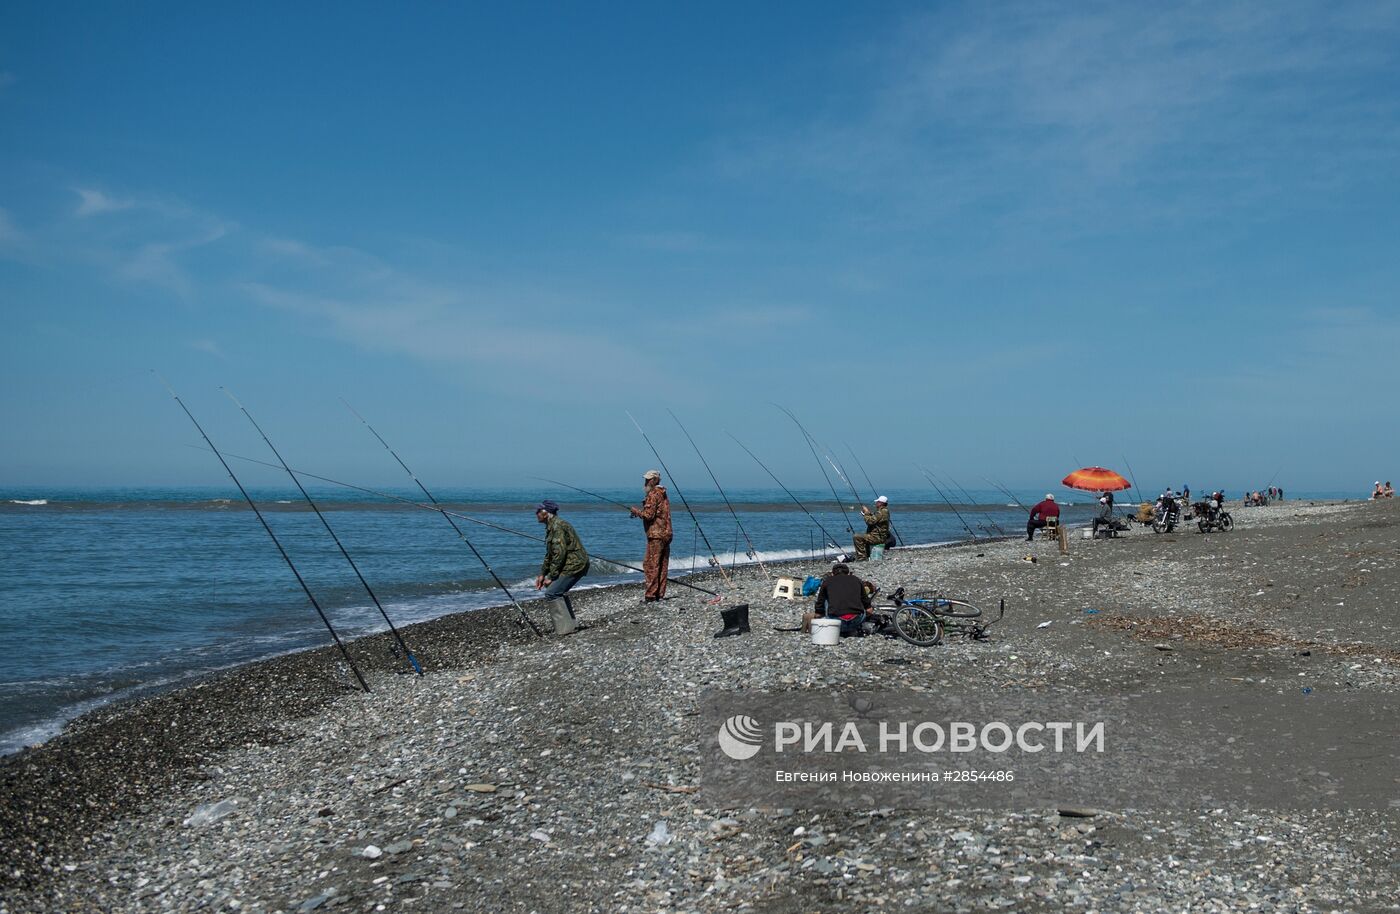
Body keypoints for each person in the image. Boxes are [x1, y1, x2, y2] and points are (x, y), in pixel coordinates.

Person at [534, 500, 589, 631]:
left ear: (545, 513)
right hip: (570, 564)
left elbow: (559, 554)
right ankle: (571, 625)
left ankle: (565, 629)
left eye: (538, 511)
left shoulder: (558, 527)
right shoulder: (552, 526)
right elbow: (550, 554)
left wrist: (552, 577)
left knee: (552, 593)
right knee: (557, 591)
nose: (536, 513)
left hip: (574, 565)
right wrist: (542, 574)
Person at [628, 469, 672, 603]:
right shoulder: (663, 493)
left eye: (648, 480)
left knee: (651, 565)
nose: (645, 482)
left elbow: (648, 515)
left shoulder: (653, 494)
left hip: (656, 535)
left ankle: (651, 596)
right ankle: (659, 594)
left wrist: (636, 511)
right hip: (666, 533)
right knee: (662, 565)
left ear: (654, 480)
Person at [812, 563, 872, 636]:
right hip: (856, 620)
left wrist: (818, 614)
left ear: (833, 573)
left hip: (836, 622)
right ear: (848, 573)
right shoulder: (856, 579)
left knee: (826, 599)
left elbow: (820, 602)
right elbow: (866, 602)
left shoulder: (827, 581)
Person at [853, 496, 891, 560]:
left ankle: (861, 558)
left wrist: (866, 513)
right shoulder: (883, 511)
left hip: (878, 538)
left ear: (881, 503)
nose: (876, 503)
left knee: (856, 537)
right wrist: (867, 514)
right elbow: (875, 519)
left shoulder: (881, 512)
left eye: (877, 502)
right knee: (864, 536)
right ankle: (867, 555)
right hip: (879, 536)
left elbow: (870, 522)